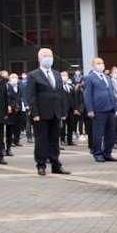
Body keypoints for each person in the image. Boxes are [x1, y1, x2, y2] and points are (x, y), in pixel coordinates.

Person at [25, 48, 69, 176]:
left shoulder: (57, 74)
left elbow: (61, 94)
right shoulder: (34, 75)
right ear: (39, 58)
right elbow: (31, 96)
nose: (48, 57)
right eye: (45, 55)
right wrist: (35, 113)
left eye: (50, 55)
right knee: (41, 140)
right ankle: (41, 164)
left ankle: (56, 164)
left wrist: (63, 111)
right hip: (41, 114)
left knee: (55, 140)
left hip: (55, 113)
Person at [83, 57, 117, 162]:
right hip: (99, 109)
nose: (100, 65)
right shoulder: (90, 78)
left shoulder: (107, 77)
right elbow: (87, 94)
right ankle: (97, 153)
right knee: (98, 132)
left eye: (102, 63)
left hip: (110, 108)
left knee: (111, 132)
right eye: (98, 63)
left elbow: (112, 93)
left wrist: (115, 108)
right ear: (93, 65)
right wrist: (90, 109)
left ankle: (107, 152)